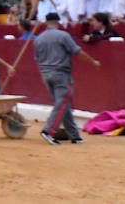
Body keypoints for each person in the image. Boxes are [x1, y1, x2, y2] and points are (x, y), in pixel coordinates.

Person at [34, 12, 101, 145]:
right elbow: (77, 52)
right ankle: (48, 131)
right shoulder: (63, 35)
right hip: (60, 73)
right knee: (63, 102)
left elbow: (37, 59)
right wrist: (93, 62)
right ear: (58, 22)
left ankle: (74, 136)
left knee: (63, 104)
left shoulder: (38, 39)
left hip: (45, 74)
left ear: (46, 23)